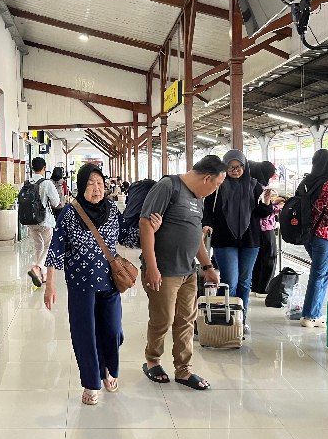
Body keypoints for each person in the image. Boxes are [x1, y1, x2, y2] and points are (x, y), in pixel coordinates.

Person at [43, 165, 160, 405]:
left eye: (99, 183)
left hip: (110, 283)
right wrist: (49, 285)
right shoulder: (70, 213)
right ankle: (91, 382)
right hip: (80, 285)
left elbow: (126, 237)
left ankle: (108, 367)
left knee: (112, 330)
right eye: (90, 184)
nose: (96, 189)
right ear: (81, 186)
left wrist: (151, 228)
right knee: (85, 333)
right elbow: (55, 249)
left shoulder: (111, 210)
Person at [140, 156, 226, 390]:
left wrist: (207, 267)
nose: (214, 190)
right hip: (164, 271)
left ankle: (183, 369)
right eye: (216, 185)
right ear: (207, 178)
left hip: (188, 270)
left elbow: (195, 235)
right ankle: (152, 361)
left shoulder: (198, 199)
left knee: (186, 321)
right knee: (163, 319)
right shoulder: (169, 187)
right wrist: (152, 267)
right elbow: (145, 225)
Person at [203, 150, 273, 329]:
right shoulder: (217, 185)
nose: (235, 170)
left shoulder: (254, 185)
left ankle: (240, 320)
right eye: (231, 167)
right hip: (224, 240)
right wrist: (207, 224)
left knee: (244, 281)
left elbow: (261, 214)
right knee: (229, 281)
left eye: (239, 166)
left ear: (245, 166)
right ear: (224, 167)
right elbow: (207, 210)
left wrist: (266, 202)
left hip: (250, 240)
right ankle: (223, 318)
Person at [298, 149, 328, 327]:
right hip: (323, 234)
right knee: (319, 273)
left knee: (321, 272)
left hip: (306, 234)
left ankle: (313, 312)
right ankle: (310, 315)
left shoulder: (306, 181)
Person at [26, 157, 61, 287]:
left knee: (39, 247)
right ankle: (37, 268)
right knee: (49, 246)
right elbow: (56, 202)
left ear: (32, 168)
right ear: (44, 168)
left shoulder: (27, 182)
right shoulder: (47, 183)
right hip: (44, 220)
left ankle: (43, 275)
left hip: (30, 220)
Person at [249, 161, 283, 296]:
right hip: (266, 228)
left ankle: (256, 286)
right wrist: (278, 206)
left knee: (257, 259)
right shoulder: (261, 187)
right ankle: (264, 288)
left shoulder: (251, 185)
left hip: (255, 228)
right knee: (269, 258)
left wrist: (272, 203)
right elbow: (265, 210)